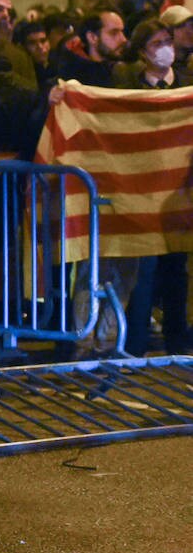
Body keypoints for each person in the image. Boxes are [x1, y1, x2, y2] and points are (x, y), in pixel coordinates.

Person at [111, 19, 190, 356]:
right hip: (141, 193)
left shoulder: (187, 84)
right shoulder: (126, 83)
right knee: (143, 273)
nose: (165, 48)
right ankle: (136, 344)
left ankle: (177, 342)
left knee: (176, 270)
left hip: (180, 195)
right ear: (142, 51)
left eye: (167, 40)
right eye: (157, 42)